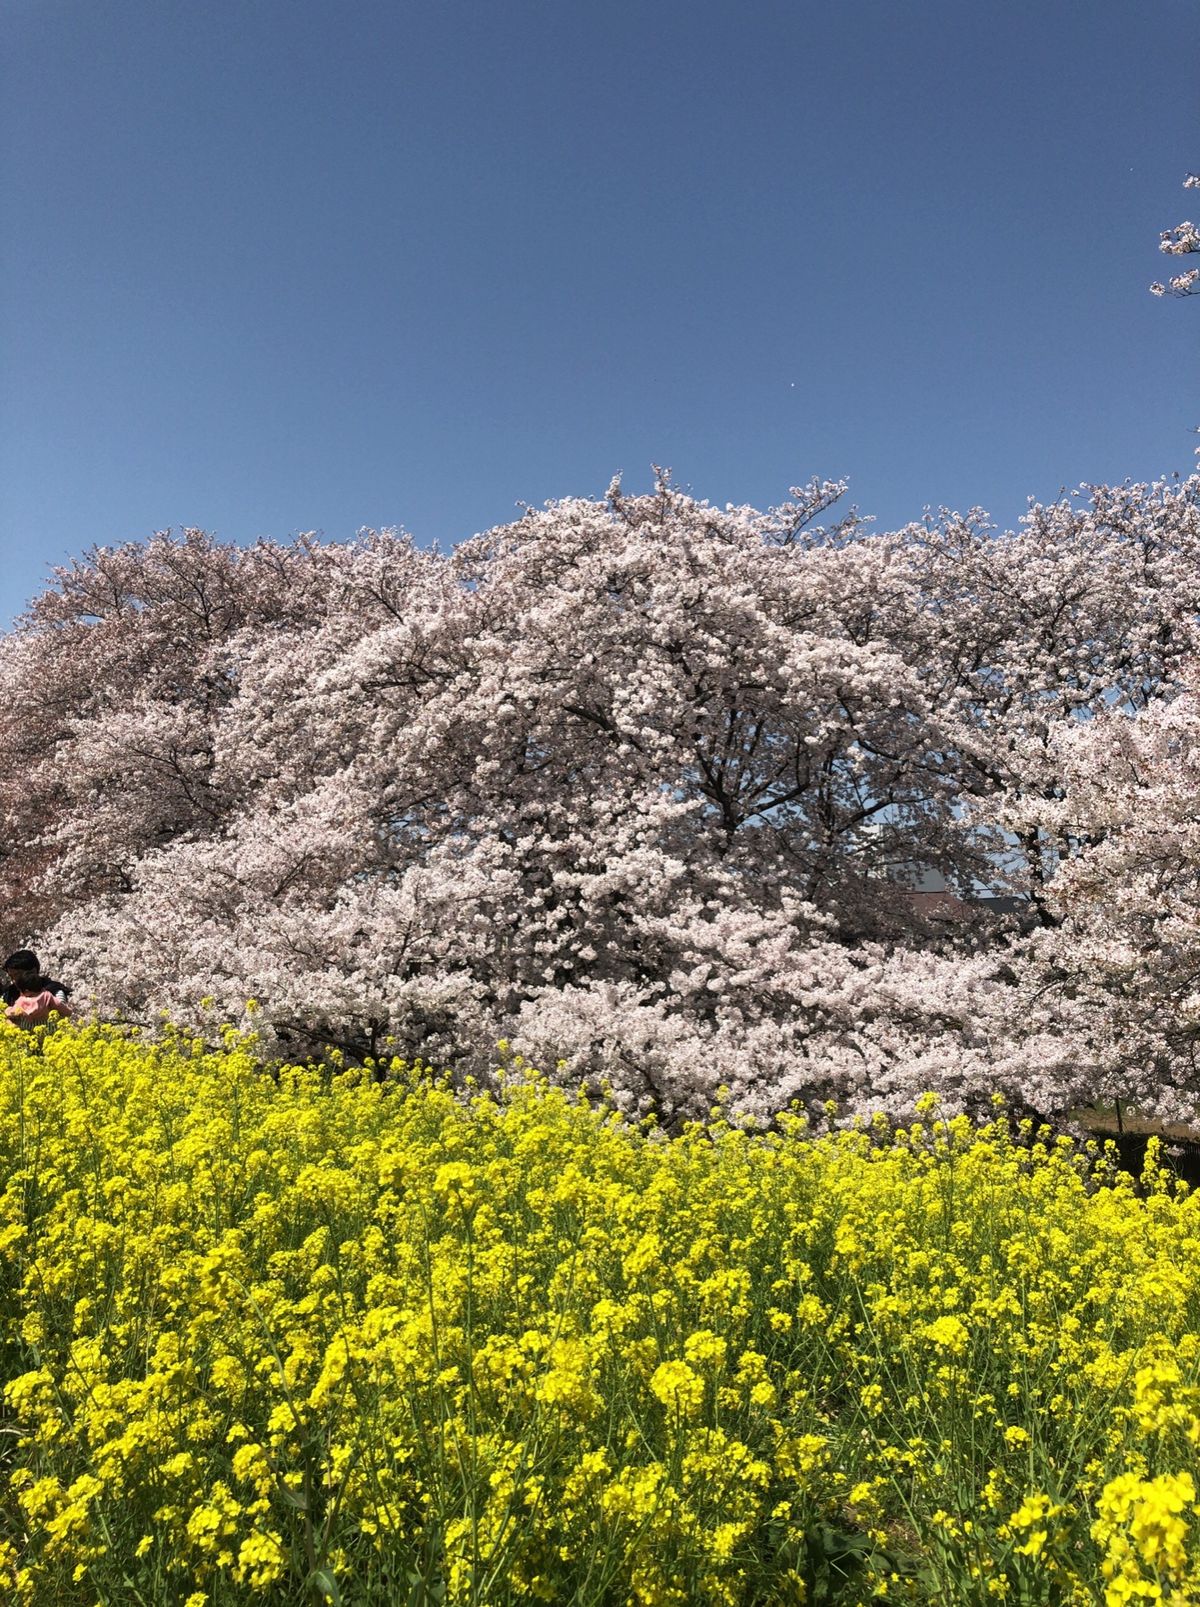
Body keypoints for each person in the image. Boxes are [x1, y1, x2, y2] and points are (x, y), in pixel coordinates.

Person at [2, 950, 71, 1027]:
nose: (14, 980)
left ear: (33, 971)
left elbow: (63, 1016)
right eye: (11, 977)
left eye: (17, 975)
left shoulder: (54, 991)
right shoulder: (9, 994)